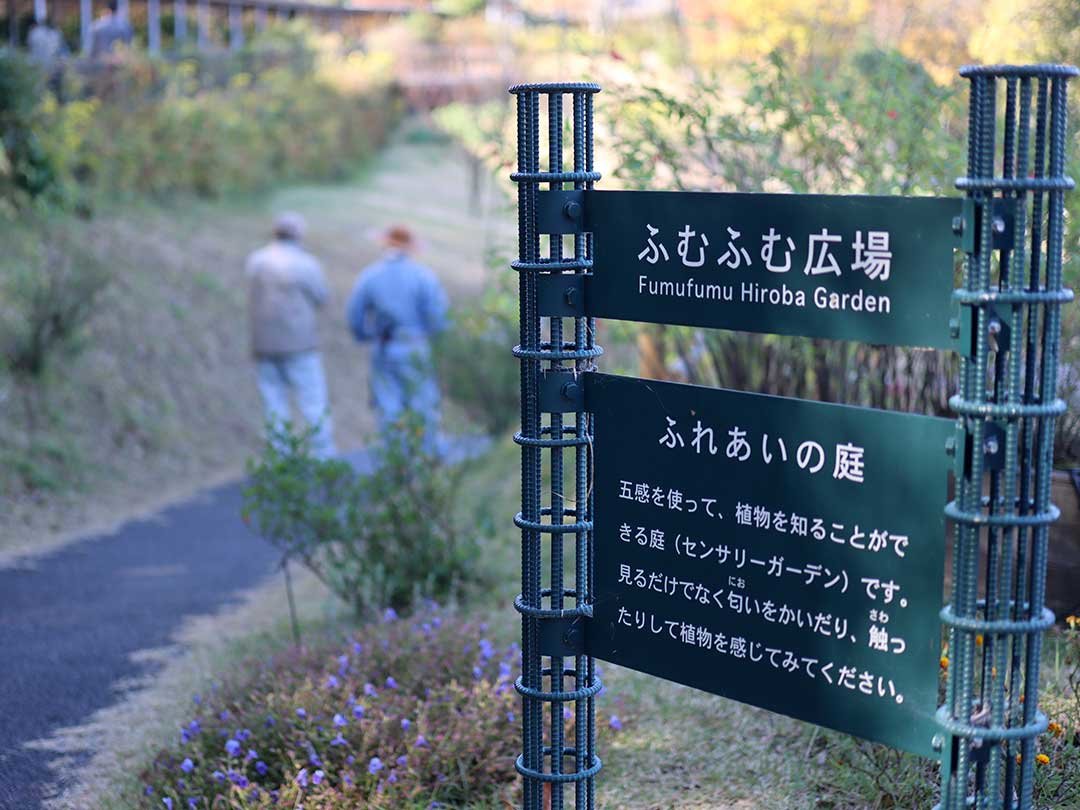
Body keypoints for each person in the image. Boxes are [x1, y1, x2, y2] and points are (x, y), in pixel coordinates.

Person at [345, 225, 448, 450]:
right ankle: (427, 461)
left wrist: (366, 335)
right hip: (416, 345)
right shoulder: (423, 276)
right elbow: (439, 317)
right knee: (423, 405)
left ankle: (396, 466)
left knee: (388, 407)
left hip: (384, 348)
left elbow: (355, 316)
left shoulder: (370, 276)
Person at [247, 212, 336, 459]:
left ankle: (280, 455)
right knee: (313, 402)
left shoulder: (256, 261)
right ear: (299, 235)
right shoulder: (306, 264)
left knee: (273, 403)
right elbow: (322, 297)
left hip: (264, 344)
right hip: (299, 344)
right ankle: (322, 456)